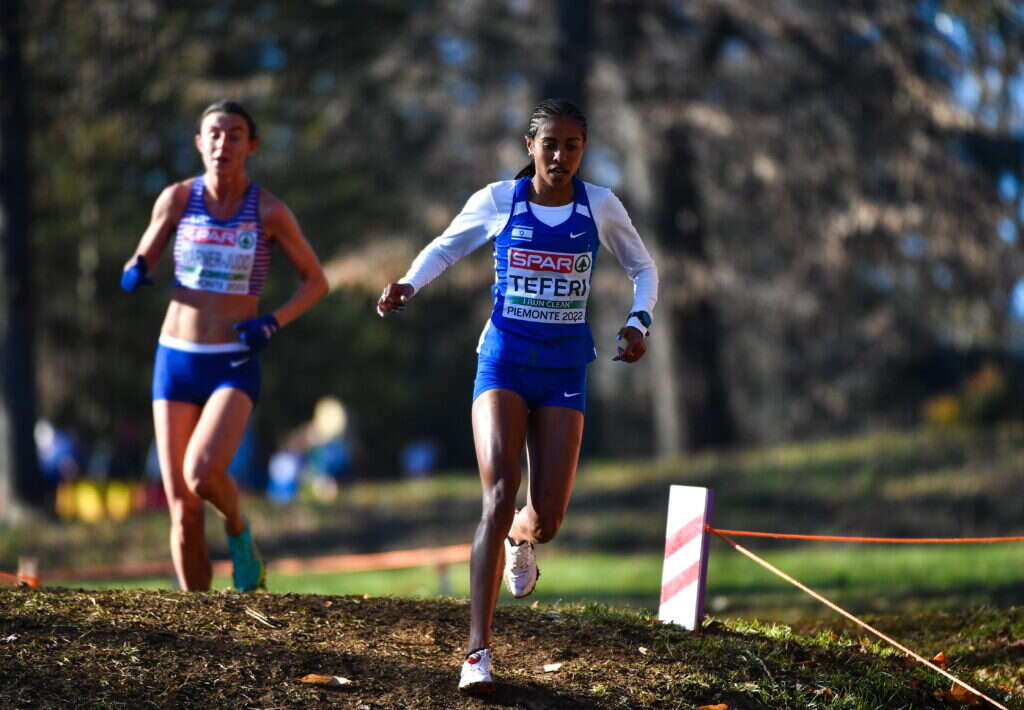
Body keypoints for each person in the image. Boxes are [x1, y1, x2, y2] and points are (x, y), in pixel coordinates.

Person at [377, 98, 658, 693]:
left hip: (563, 369)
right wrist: (408, 283)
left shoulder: (600, 205)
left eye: (572, 146)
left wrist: (638, 321)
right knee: (499, 493)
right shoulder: (500, 200)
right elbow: (447, 246)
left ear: (584, 150)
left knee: (546, 519)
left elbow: (644, 269)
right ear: (530, 146)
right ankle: (476, 653)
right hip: (502, 361)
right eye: (549, 144)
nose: (560, 156)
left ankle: (520, 539)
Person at [121, 100, 328, 591]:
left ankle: (238, 529)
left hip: (232, 361)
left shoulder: (269, 211)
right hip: (175, 359)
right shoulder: (176, 199)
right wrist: (135, 270)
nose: (222, 144)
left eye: (234, 135)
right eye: (213, 134)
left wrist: (272, 322)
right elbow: (143, 253)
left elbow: (316, 281)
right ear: (199, 143)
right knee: (182, 510)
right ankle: (200, 622)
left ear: (251, 146)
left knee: (201, 472)